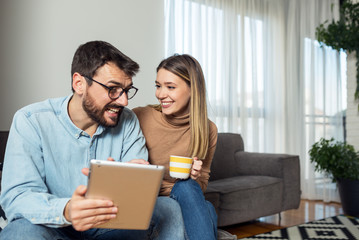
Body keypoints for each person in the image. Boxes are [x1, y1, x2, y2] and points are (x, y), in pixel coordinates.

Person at [0, 41, 185, 240]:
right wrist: (67, 210)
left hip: (109, 225)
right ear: (79, 83)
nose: (124, 101)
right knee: (20, 231)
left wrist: (132, 182)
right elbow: (17, 197)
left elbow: (138, 198)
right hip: (54, 227)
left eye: (127, 90)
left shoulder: (128, 121)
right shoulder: (31, 121)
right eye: (113, 89)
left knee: (168, 208)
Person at [133, 54, 218, 240]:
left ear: (192, 89)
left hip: (185, 196)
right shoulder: (139, 117)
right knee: (208, 209)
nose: (160, 94)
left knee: (187, 187)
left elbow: (201, 184)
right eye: (158, 85)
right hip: (150, 201)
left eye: (170, 87)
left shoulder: (208, 129)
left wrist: (195, 178)